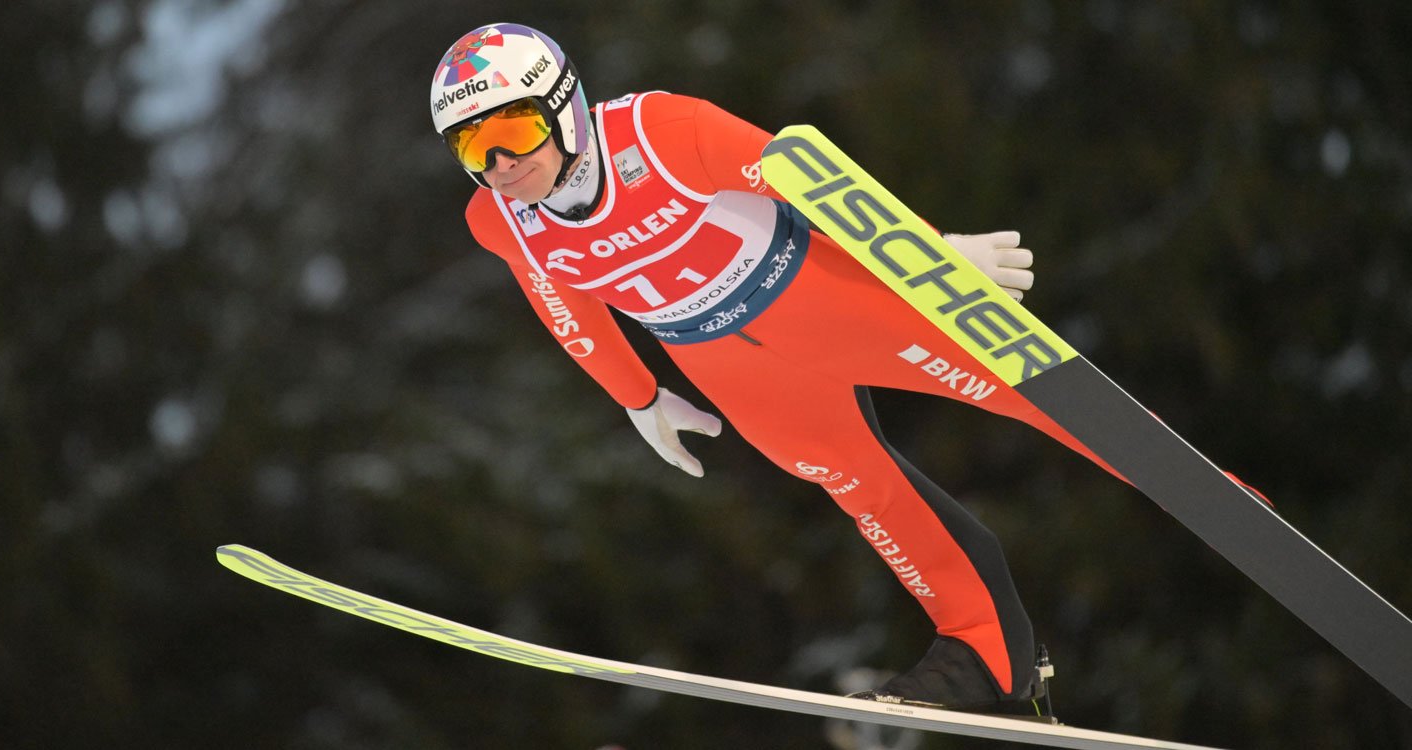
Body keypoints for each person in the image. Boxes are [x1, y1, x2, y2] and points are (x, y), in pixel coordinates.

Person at [429, 21, 1111, 712]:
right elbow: (561, 302)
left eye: (509, 130)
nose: (500, 164)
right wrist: (638, 398)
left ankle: (1218, 487)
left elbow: (808, 180)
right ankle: (985, 650)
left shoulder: (664, 131)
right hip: (729, 364)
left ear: (563, 105)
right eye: (470, 146)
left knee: (1039, 394)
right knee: (859, 487)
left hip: (826, 299)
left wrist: (931, 255)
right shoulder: (499, 221)